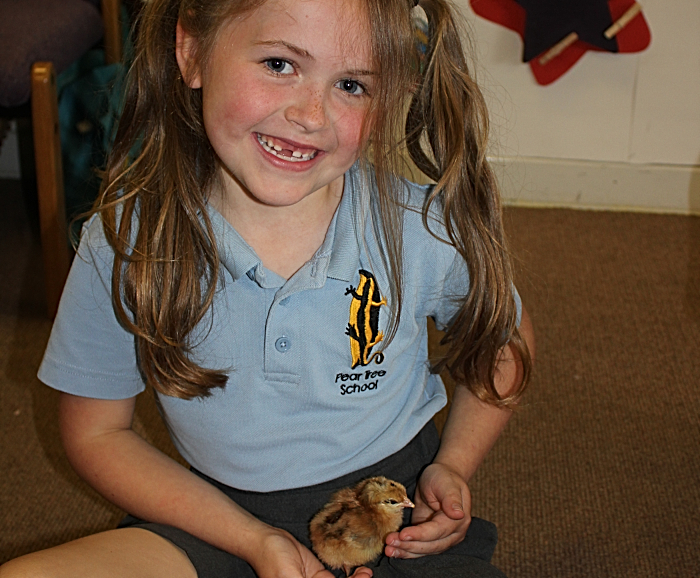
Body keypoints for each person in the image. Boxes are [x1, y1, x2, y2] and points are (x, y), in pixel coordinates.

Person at [0, 0, 534, 577]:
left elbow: (505, 343)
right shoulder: (129, 239)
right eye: (280, 64)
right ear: (192, 52)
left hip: (391, 525)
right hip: (212, 521)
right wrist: (254, 540)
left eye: (352, 84)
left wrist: (453, 465)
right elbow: (98, 433)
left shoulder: (420, 228)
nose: (311, 113)